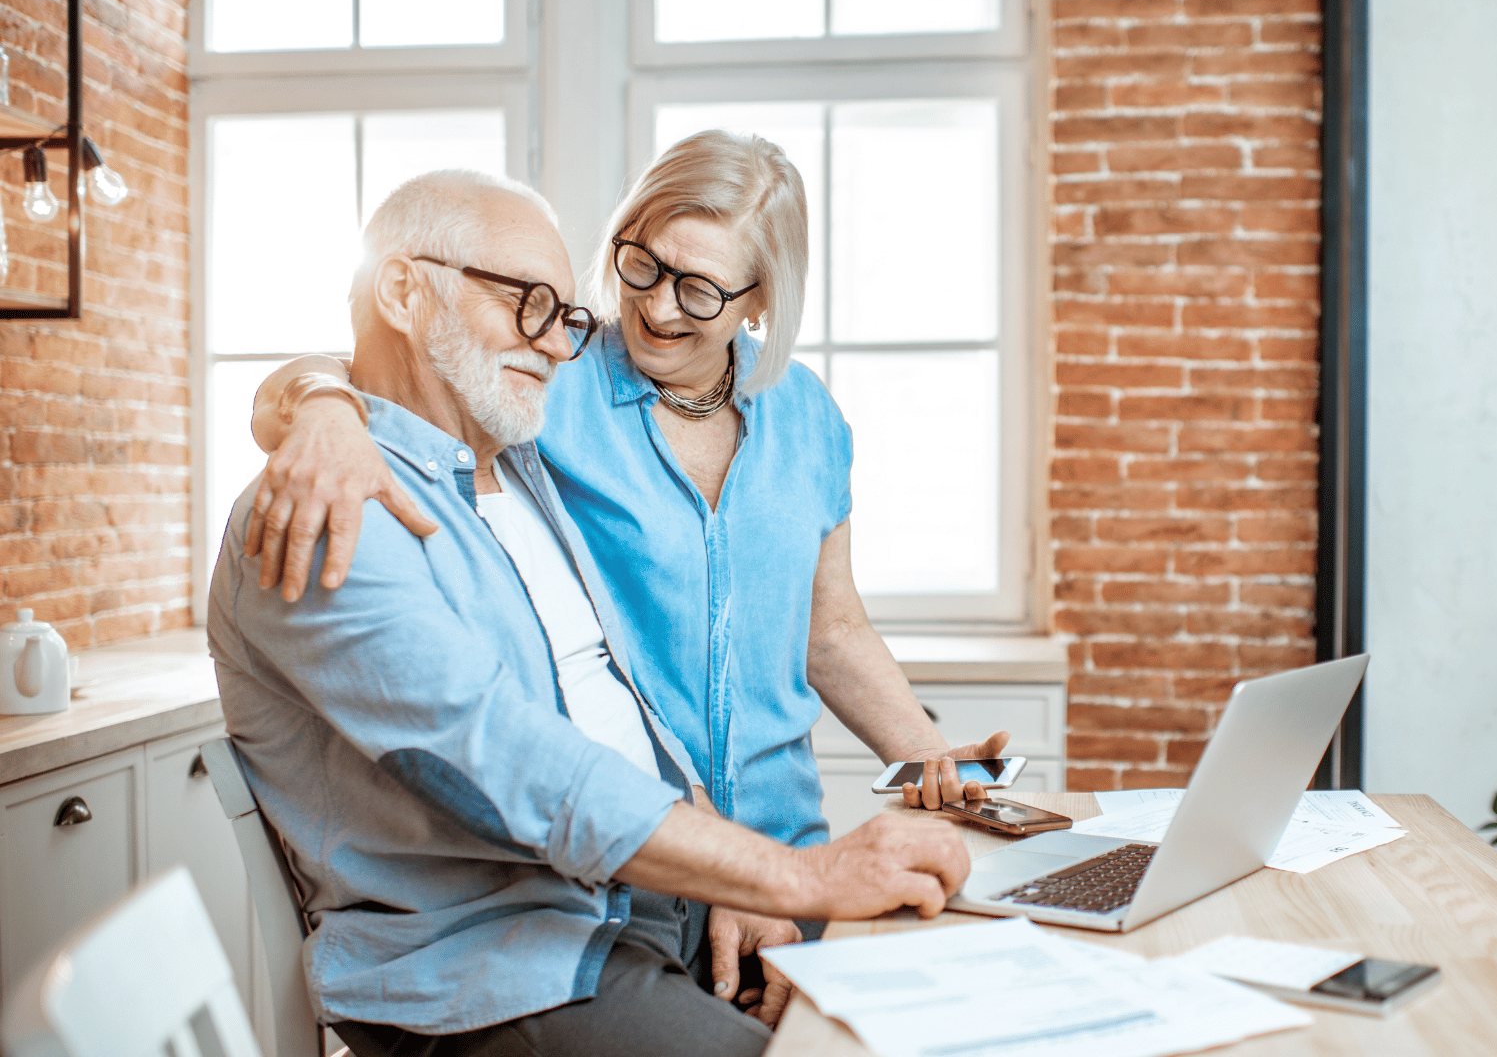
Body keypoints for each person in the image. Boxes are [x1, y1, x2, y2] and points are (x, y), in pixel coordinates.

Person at [208, 169, 970, 1057]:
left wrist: (746, 868)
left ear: (756, 303)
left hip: (671, 894)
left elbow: (807, 636)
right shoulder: (336, 503)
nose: (560, 342)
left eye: (563, 314)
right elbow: (510, 761)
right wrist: (321, 405)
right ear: (407, 288)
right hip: (513, 955)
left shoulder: (514, 463)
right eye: (528, 303)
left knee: (945, 1004)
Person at [248, 131, 1008, 848]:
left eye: (701, 290)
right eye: (643, 263)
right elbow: (375, 367)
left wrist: (932, 759)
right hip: (631, 850)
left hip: (790, 844)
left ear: (762, 301)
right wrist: (323, 409)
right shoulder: (551, 373)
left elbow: (832, 632)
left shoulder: (806, 416)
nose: (657, 305)